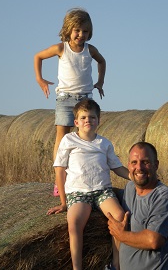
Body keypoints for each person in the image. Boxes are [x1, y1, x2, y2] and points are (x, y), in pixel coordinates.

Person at [47, 99, 129, 270]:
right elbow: (60, 171)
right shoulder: (68, 140)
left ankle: (116, 265)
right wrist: (64, 202)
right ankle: (78, 268)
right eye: (83, 117)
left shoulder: (104, 144)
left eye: (92, 117)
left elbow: (118, 168)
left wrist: (135, 177)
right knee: (74, 222)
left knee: (120, 217)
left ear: (98, 121)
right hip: (78, 193)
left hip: (102, 191)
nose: (88, 120)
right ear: (76, 122)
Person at [34, 8, 106, 196]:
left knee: (84, 139)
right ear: (68, 29)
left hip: (84, 100)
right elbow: (38, 56)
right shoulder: (61, 48)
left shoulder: (90, 50)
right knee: (62, 138)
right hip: (65, 98)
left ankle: (81, 178)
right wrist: (40, 79)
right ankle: (59, 181)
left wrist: (100, 82)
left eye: (85, 31)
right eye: (77, 30)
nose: (81, 35)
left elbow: (102, 61)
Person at [107, 142, 168, 270]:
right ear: (128, 165)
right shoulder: (130, 188)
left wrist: (121, 235)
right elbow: (113, 194)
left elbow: (154, 240)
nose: (139, 167)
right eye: (134, 162)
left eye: (145, 162)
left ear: (156, 165)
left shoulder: (164, 198)